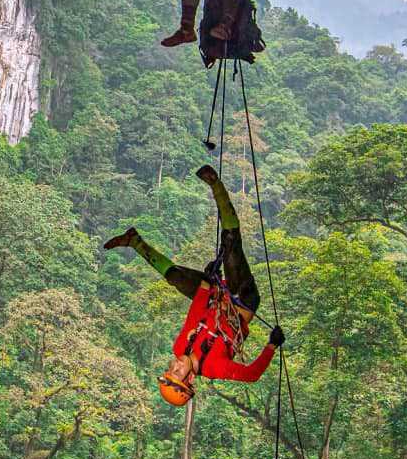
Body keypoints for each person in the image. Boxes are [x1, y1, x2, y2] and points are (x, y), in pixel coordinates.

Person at [104, 163, 284, 405]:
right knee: (231, 244)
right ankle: (216, 184)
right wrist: (272, 344)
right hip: (242, 300)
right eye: (177, 372)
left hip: (212, 297)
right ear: (189, 380)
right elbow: (252, 374)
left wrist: (209, 283)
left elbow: (195, 314)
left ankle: (134, 241)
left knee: (175, 277)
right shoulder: (215, 367)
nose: (175, 364)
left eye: (170, 368)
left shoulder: (180, 347)